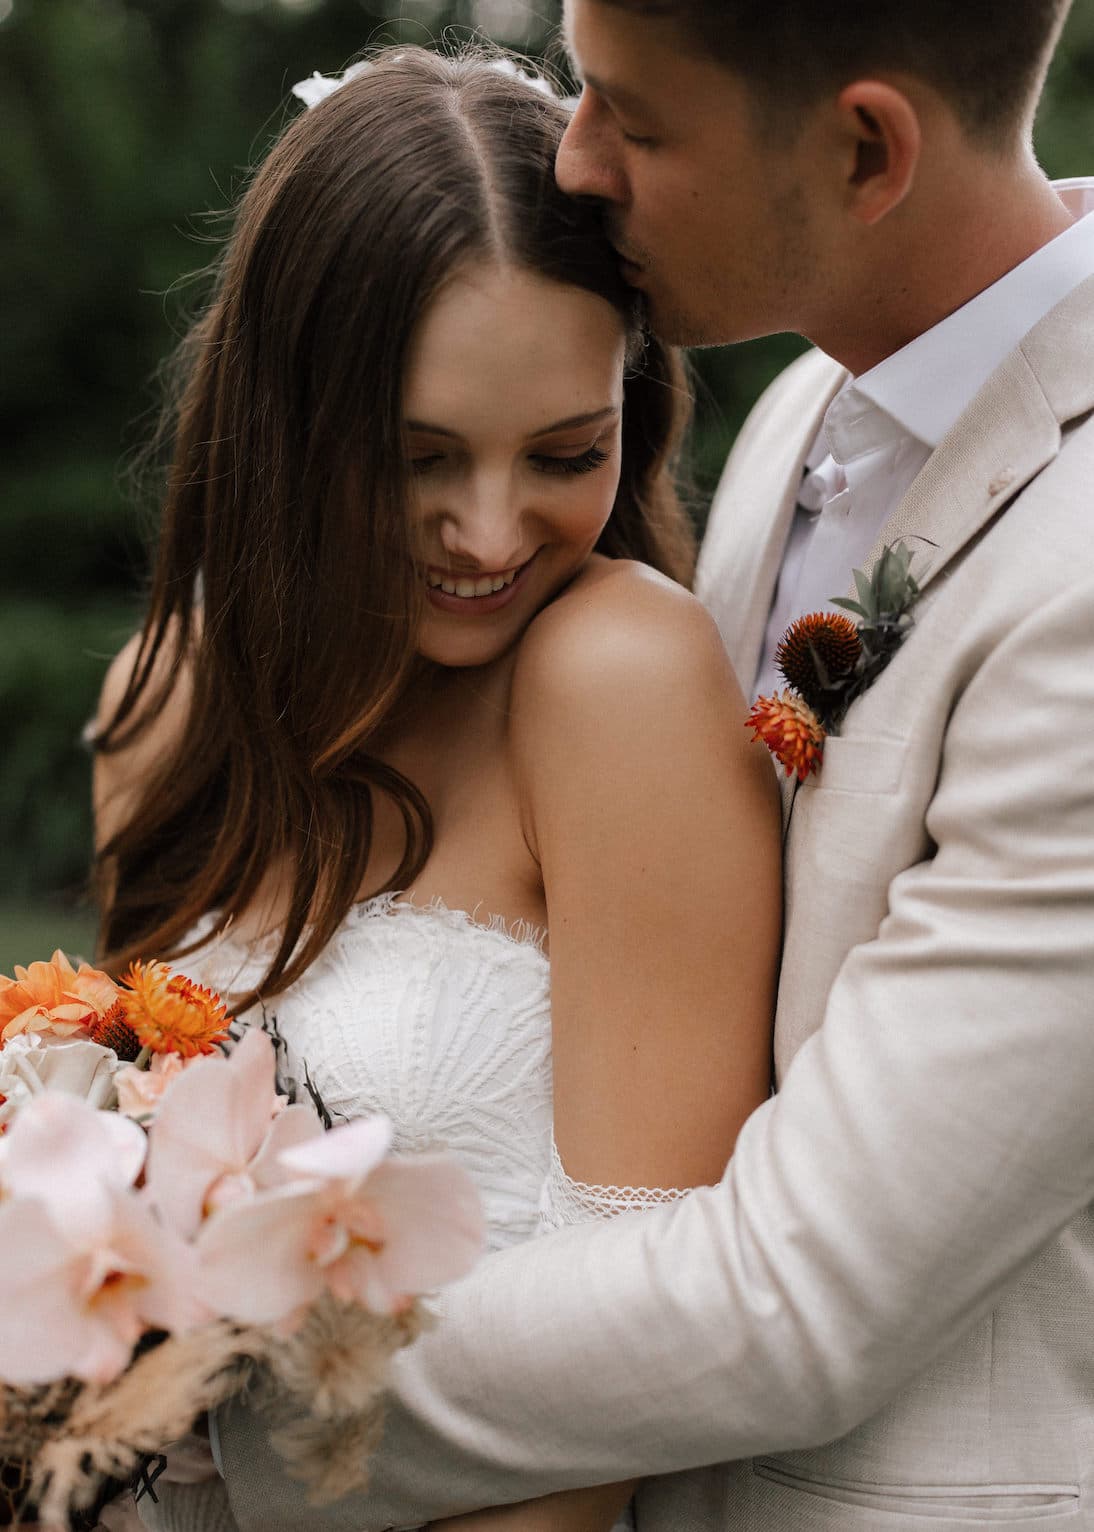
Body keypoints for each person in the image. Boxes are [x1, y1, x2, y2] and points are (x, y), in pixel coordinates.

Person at [205, 1, 1094, 1529]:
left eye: (633, 116)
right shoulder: (811, 414)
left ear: (865, 146)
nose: (574, 157)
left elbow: (799, 1294)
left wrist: (166, 1398)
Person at [89, 44, 782, 1532]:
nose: (486, 532)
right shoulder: (163, 709)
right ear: (287, 426)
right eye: (414, 459)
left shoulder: (614, 682)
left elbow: (635, 1348)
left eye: (563, 452)